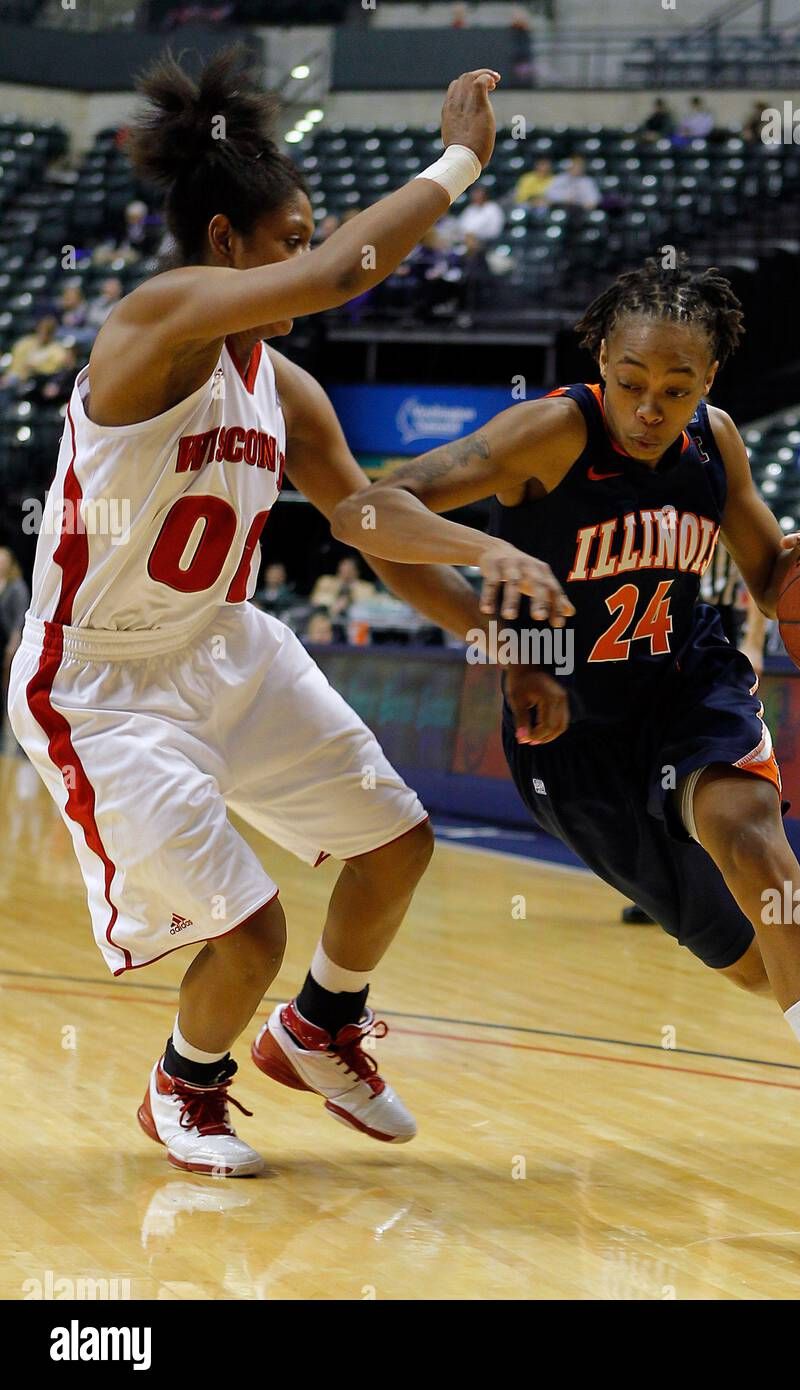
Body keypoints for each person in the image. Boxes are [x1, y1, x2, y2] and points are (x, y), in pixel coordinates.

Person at [7, 48, 573, 1178]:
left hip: (223, 643)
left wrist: (494, 618)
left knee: (398, 845)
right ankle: (184, 1086)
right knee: (250, 927)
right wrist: (461, 161)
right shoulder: (154, 322)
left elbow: (368, 519)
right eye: (287, 237)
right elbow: (330, 280)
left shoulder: (288, 390)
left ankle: (318, 1029)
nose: (304, 259)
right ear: (225, 246)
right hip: (102, 684)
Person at [333, 256, 800, 1245]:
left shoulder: (714, 444)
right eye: (635, 383)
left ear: (707, 387)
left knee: (753, 846)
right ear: (600, 359)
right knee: (748, 964)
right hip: (571, 734)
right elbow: (371, 516)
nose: (652, 408)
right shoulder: (546, 436)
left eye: (678, 389)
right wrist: (499, 616)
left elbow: (771, 579)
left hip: (688, 687)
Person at [2, 316, 73, 387]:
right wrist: (8, 375)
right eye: (41, 330)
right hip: (15, 377)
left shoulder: (57, 349)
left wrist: (36, 367)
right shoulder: (26, 342)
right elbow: (14, 362)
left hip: (36, 381)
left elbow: (53, 369)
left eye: (48, 332)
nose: (43, 334)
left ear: (52, 333)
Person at [0, 546, 29, 719]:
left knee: (9, 690)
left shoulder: (17, 587)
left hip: (10, 645)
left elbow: (20, 619)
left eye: (3, 560)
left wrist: (12, 646)